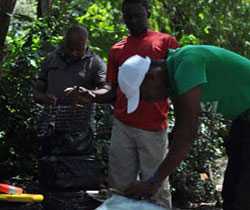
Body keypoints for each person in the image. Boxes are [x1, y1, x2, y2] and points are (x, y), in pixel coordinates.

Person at [66, 1, 178, 208]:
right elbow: (112, 89)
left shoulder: (166, 42)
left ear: (148, 13)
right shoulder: (117, 49)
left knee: (157, 188)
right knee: (119, 187)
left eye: (137, 15)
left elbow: (176, 82)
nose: (133, 21)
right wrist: (90, 94)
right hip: (123, 125)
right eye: (128, 17)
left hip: (153, 127)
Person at [117, 45, 250, 210]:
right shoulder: (174, 74)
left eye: (144, 95)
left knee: (244, 196)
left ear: (151, 77)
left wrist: (153, 182)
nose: (148, 101)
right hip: (242, 119)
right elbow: (180, 131)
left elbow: (187, 133)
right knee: (232, 192)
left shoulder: (186, 65)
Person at [33, 25, 108, 210]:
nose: (74, 52)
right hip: (52, 123)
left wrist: (89, 94)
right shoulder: (51, 59)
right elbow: (37, 91)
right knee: (49, 169)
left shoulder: (95, 62)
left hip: (81, 128)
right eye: (70, 47)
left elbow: (106, 88)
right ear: (64, 43)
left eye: (79, 48)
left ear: (86, 43)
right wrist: (45, 98)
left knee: (80, 172)